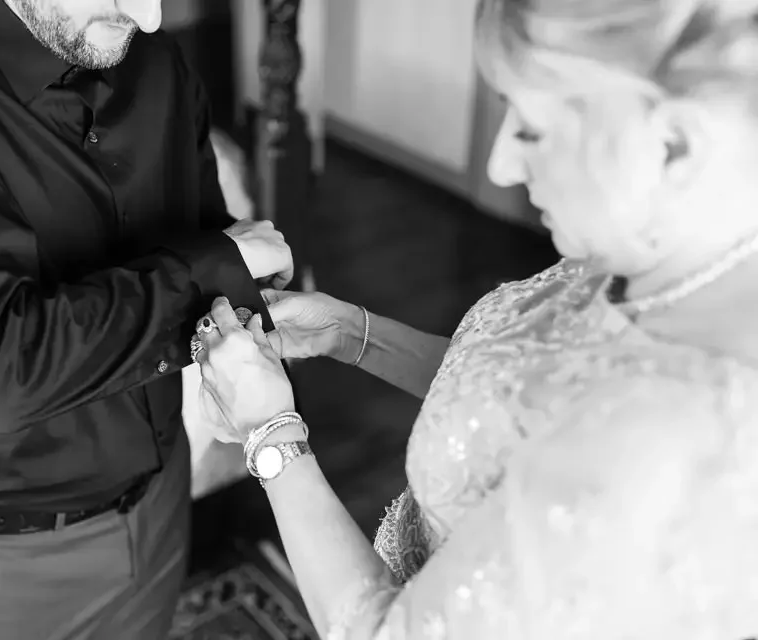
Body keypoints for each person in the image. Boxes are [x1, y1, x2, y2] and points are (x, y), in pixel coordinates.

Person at [192, 0, 758, 637]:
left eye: (532, 129)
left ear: (674, 144)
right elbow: (512, 405)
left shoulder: (662, 437)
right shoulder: (660, 261)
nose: (501, 165)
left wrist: (269, 431)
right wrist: (351, 333)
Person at [0, 1, 292, 638]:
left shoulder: (155, 61)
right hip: (20, 556)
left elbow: (205, 240)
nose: (150, 19)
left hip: (162, 490)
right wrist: (215, 267)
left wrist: (250, 298)